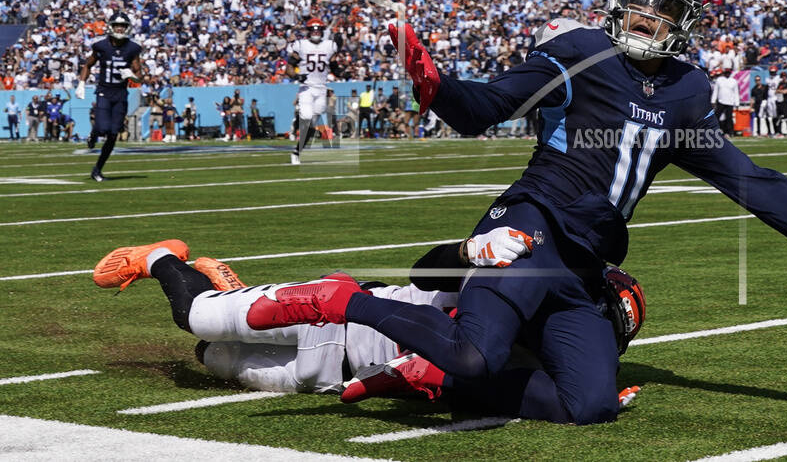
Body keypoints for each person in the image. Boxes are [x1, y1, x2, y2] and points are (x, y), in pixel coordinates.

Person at [238, 0, 787, 425]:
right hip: (528, 230)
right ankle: (345, 298)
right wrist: (435, 85)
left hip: (584, 266)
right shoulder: (579, 50)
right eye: (638, 3)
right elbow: (484, 107)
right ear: (618, 3)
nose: (645, 16)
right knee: (476, 351)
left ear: (684, 21)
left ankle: (433, 376)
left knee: (587, 404)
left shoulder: (685, 92)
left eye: (661, 8)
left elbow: (747, 177)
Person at [91, 237, 646, 403]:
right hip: (329, 318)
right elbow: (427, 274)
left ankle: (229, 284)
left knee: (210, 360)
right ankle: (162, 257)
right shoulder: (511, 293)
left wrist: (591, 398)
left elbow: (534, 395)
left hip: (330, 375)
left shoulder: (543, 361)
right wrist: (468, 251)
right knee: (198, 321)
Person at [77, 12, 146, 180]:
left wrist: (131, 75)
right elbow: (88, 64)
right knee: (102, 128)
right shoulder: (101, 45)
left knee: (113, 134)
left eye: (122, 26)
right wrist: (81, 83)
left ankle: (97, 169)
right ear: (111, 27)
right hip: (104, 91)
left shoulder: (132, 48)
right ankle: (94, 134)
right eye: (117, 25)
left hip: (121, 94)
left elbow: (140, 76)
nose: (120, 28)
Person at [287, 17, 341, 164]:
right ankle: (295, 135)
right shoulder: (301, 45)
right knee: (307, 116)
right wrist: (297, 76)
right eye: (313, 29)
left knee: (312, 125)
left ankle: (297, 151)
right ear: (309, 31)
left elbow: (335, 67)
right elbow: (289, 67)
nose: (316, 32)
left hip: (322, 89)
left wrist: (342, 72)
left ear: (322, 31)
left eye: (318, 29)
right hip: (307, 89)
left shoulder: (329, 46)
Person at [710, 69, 738, 136]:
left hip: (730, 102)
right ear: (724, 73)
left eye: (728, 73)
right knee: (716, 116)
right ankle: (716, 130)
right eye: (726, 72)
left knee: (729, 118)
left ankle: (730, 132)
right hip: (721, 101)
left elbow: (736, 92)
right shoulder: (719, 80)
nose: (727, 74)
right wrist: (713, 101)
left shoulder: (733, 81)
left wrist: (737, 103)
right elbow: (716, 91)